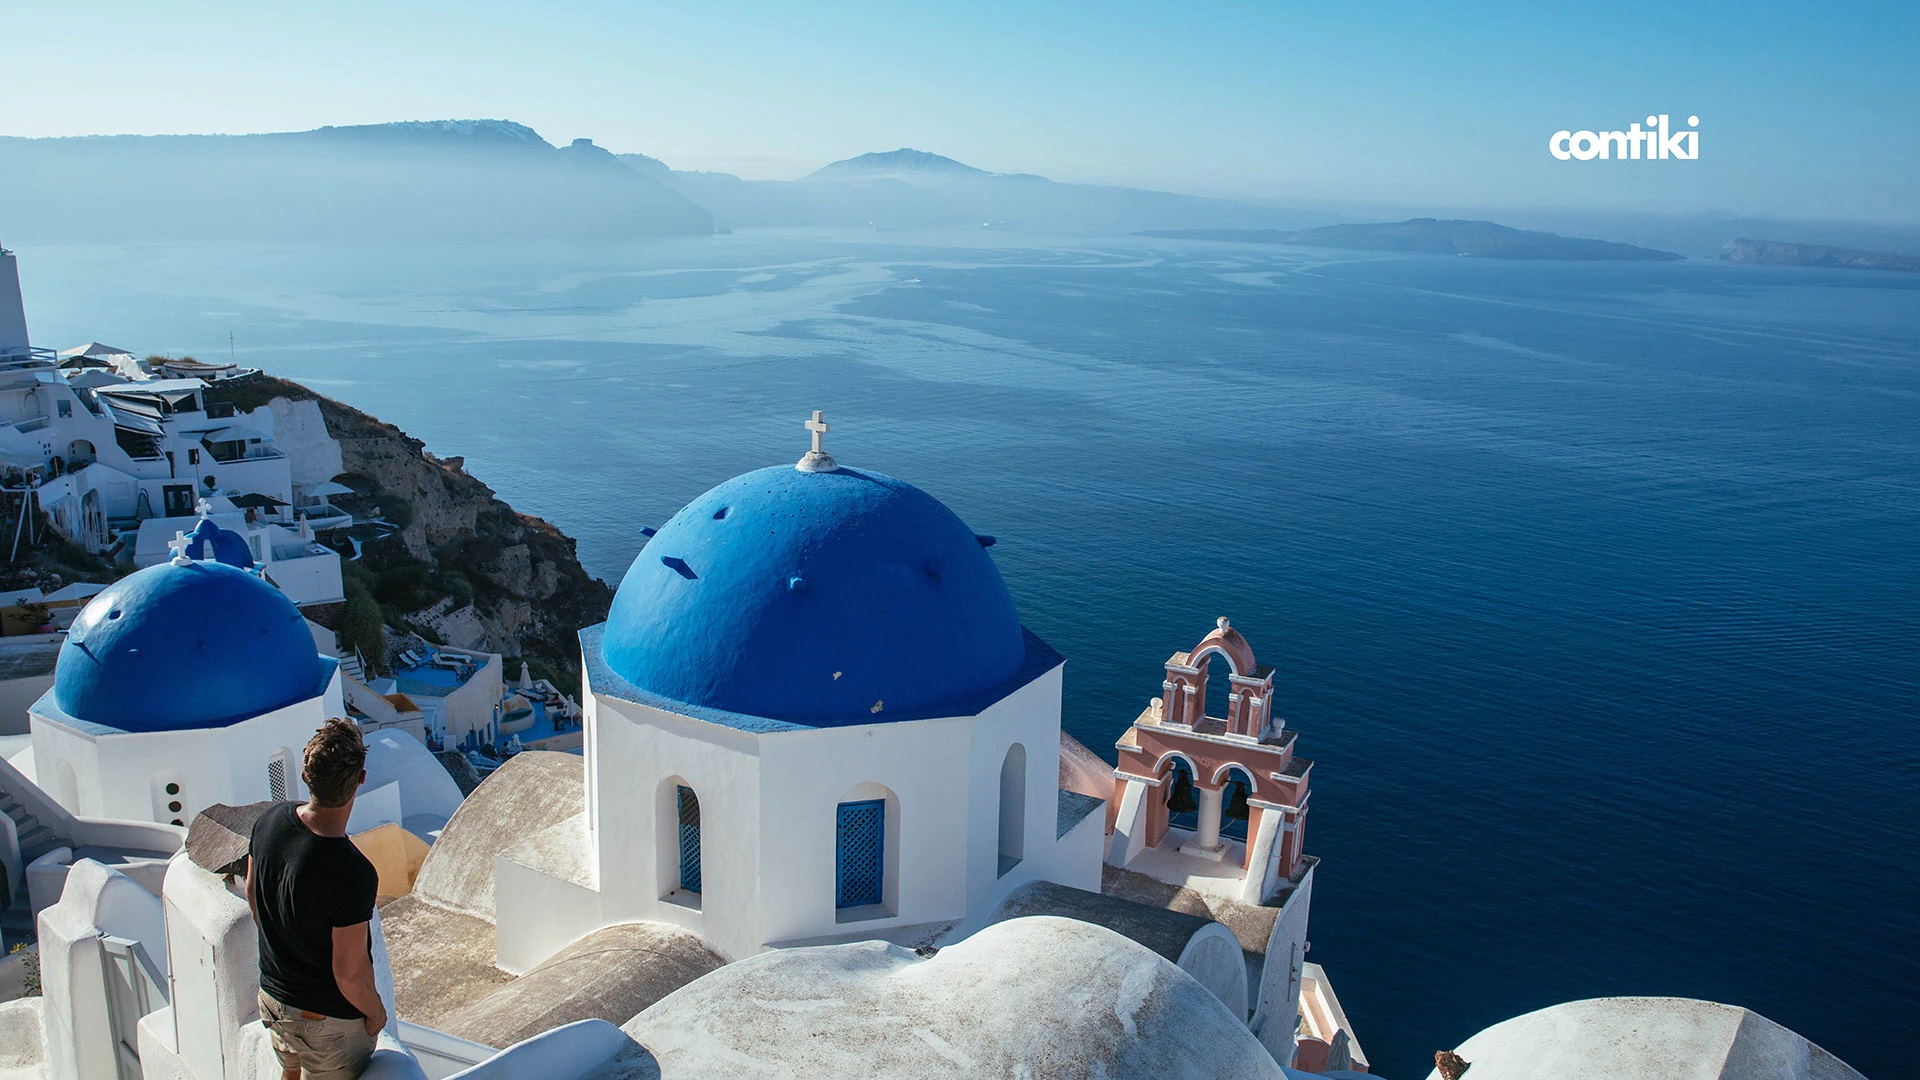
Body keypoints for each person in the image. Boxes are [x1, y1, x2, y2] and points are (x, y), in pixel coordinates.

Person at [246, 718, 386, 1080]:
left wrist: (286, 944)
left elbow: (253, 892)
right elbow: (349, 971)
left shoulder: (269, 821)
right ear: (360, 780)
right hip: (323, 1021)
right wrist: (376, 1013)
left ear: (308, 776)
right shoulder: (352, 872)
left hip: (274, 1001)